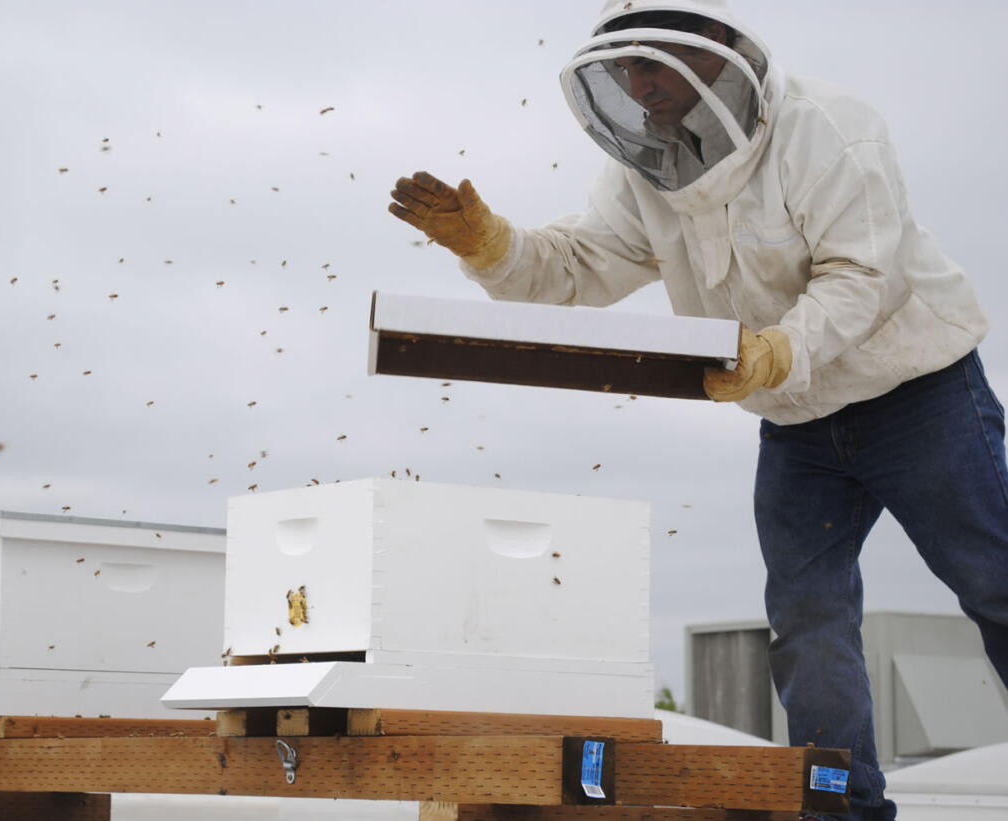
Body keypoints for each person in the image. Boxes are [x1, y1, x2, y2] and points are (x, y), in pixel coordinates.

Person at [387, 2, 1008, 820]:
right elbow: (578, 266)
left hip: (919, 396)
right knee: (807, 620)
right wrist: (490, 245)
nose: (638, 87)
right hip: (797, 427)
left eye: (652, 64)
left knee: (995, 583)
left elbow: (866, 276)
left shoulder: (832, 132)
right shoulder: (647, 171)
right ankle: (842, 809)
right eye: (624, 70)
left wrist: (778, 349)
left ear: (717, 44)